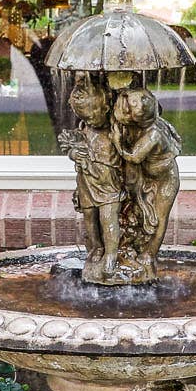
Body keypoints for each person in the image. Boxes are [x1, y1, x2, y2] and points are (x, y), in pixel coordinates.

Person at [112, 86, 180, 277]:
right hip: (147, 177)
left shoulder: (153, 134)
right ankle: (132, 247)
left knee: (159, 218)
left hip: (165, 180)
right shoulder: (149, 124)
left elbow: (133, 157)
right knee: (140, 212)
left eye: (128, 109)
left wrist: (117, 141)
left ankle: (149, 255)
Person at [62, 76, 125, 282]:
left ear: (106, 108)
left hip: (109, 182)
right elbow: (67, 145)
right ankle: (96, 248)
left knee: (108, 217)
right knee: (89, 217)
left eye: (91, 116)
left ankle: (111, 254)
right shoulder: (84, 130)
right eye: (84, 118)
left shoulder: (114, 130)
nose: (88, 122)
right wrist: (73, 154)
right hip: (86, 182)